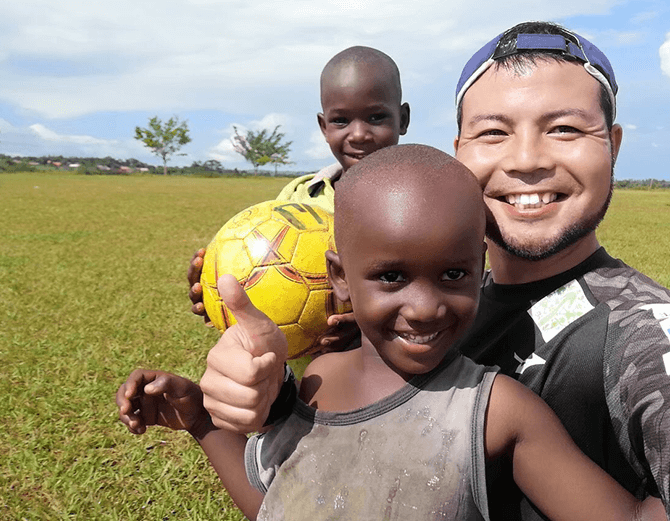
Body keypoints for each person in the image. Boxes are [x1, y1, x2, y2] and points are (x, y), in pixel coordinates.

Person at [197, 21, 670, 519]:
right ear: (459, 148)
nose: (527, 159)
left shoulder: (639, 332)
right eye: (494, 132)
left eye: (565, 129)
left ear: (613, 145)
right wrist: (267, 388)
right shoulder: (439, 308)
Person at [117, 144, 666, 521]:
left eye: (454, 275)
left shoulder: (496, 410)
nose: (425, 308)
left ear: (480, 268)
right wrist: (200, 420)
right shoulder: (318, 379)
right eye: (391, 277)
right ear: (340, 279)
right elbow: (279, 506)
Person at [188, 45, 409, 339]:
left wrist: (373, 321)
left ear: (403, 119)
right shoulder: (299, 197)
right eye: (341, 120)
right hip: (303, 371)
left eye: (376, 117)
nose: (358, 134)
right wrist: (221, 290)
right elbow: (265, 272)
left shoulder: (419, 202)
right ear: (323, 126)